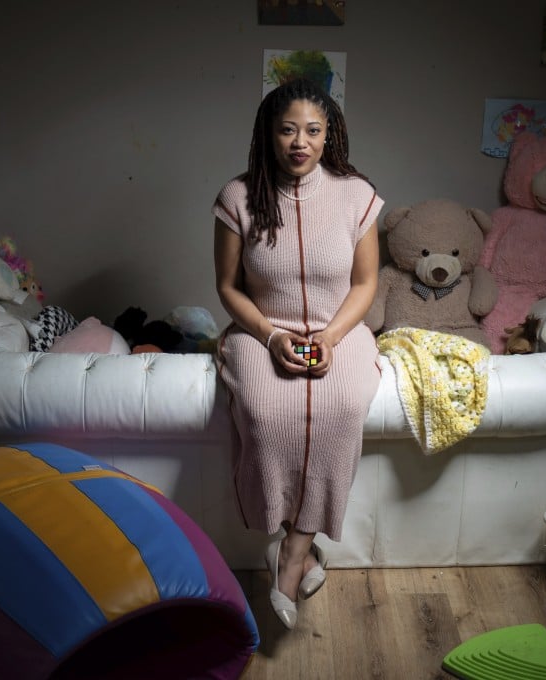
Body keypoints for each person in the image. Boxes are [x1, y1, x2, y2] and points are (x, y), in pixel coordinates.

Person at [212, 77, 383, 629]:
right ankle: (299, 549)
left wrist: (330, 338)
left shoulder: (356, 196)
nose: (300, 142)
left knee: (344, 406)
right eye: (288, 130)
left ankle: (292, 554)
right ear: (269, 133)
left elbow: (366, 283)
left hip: (340, 330)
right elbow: (228, 287)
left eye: (312, 130)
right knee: (264, 411)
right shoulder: (238, 197)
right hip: (261, 328)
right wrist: (270, 336)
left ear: (329, 134)